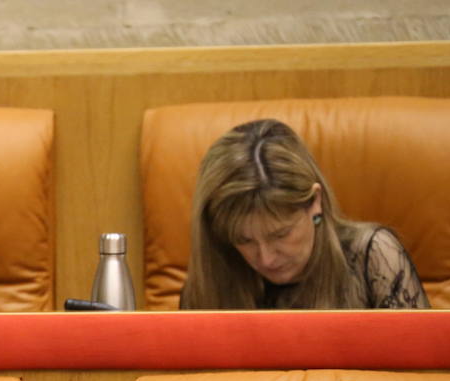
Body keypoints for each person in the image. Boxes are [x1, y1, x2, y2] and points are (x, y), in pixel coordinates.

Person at [181, 119, 430, 311]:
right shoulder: (211, 273)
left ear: (315, 202)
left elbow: (421, 375)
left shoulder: (372, 256)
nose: (266, 259)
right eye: (244, 240)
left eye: (280, 233)